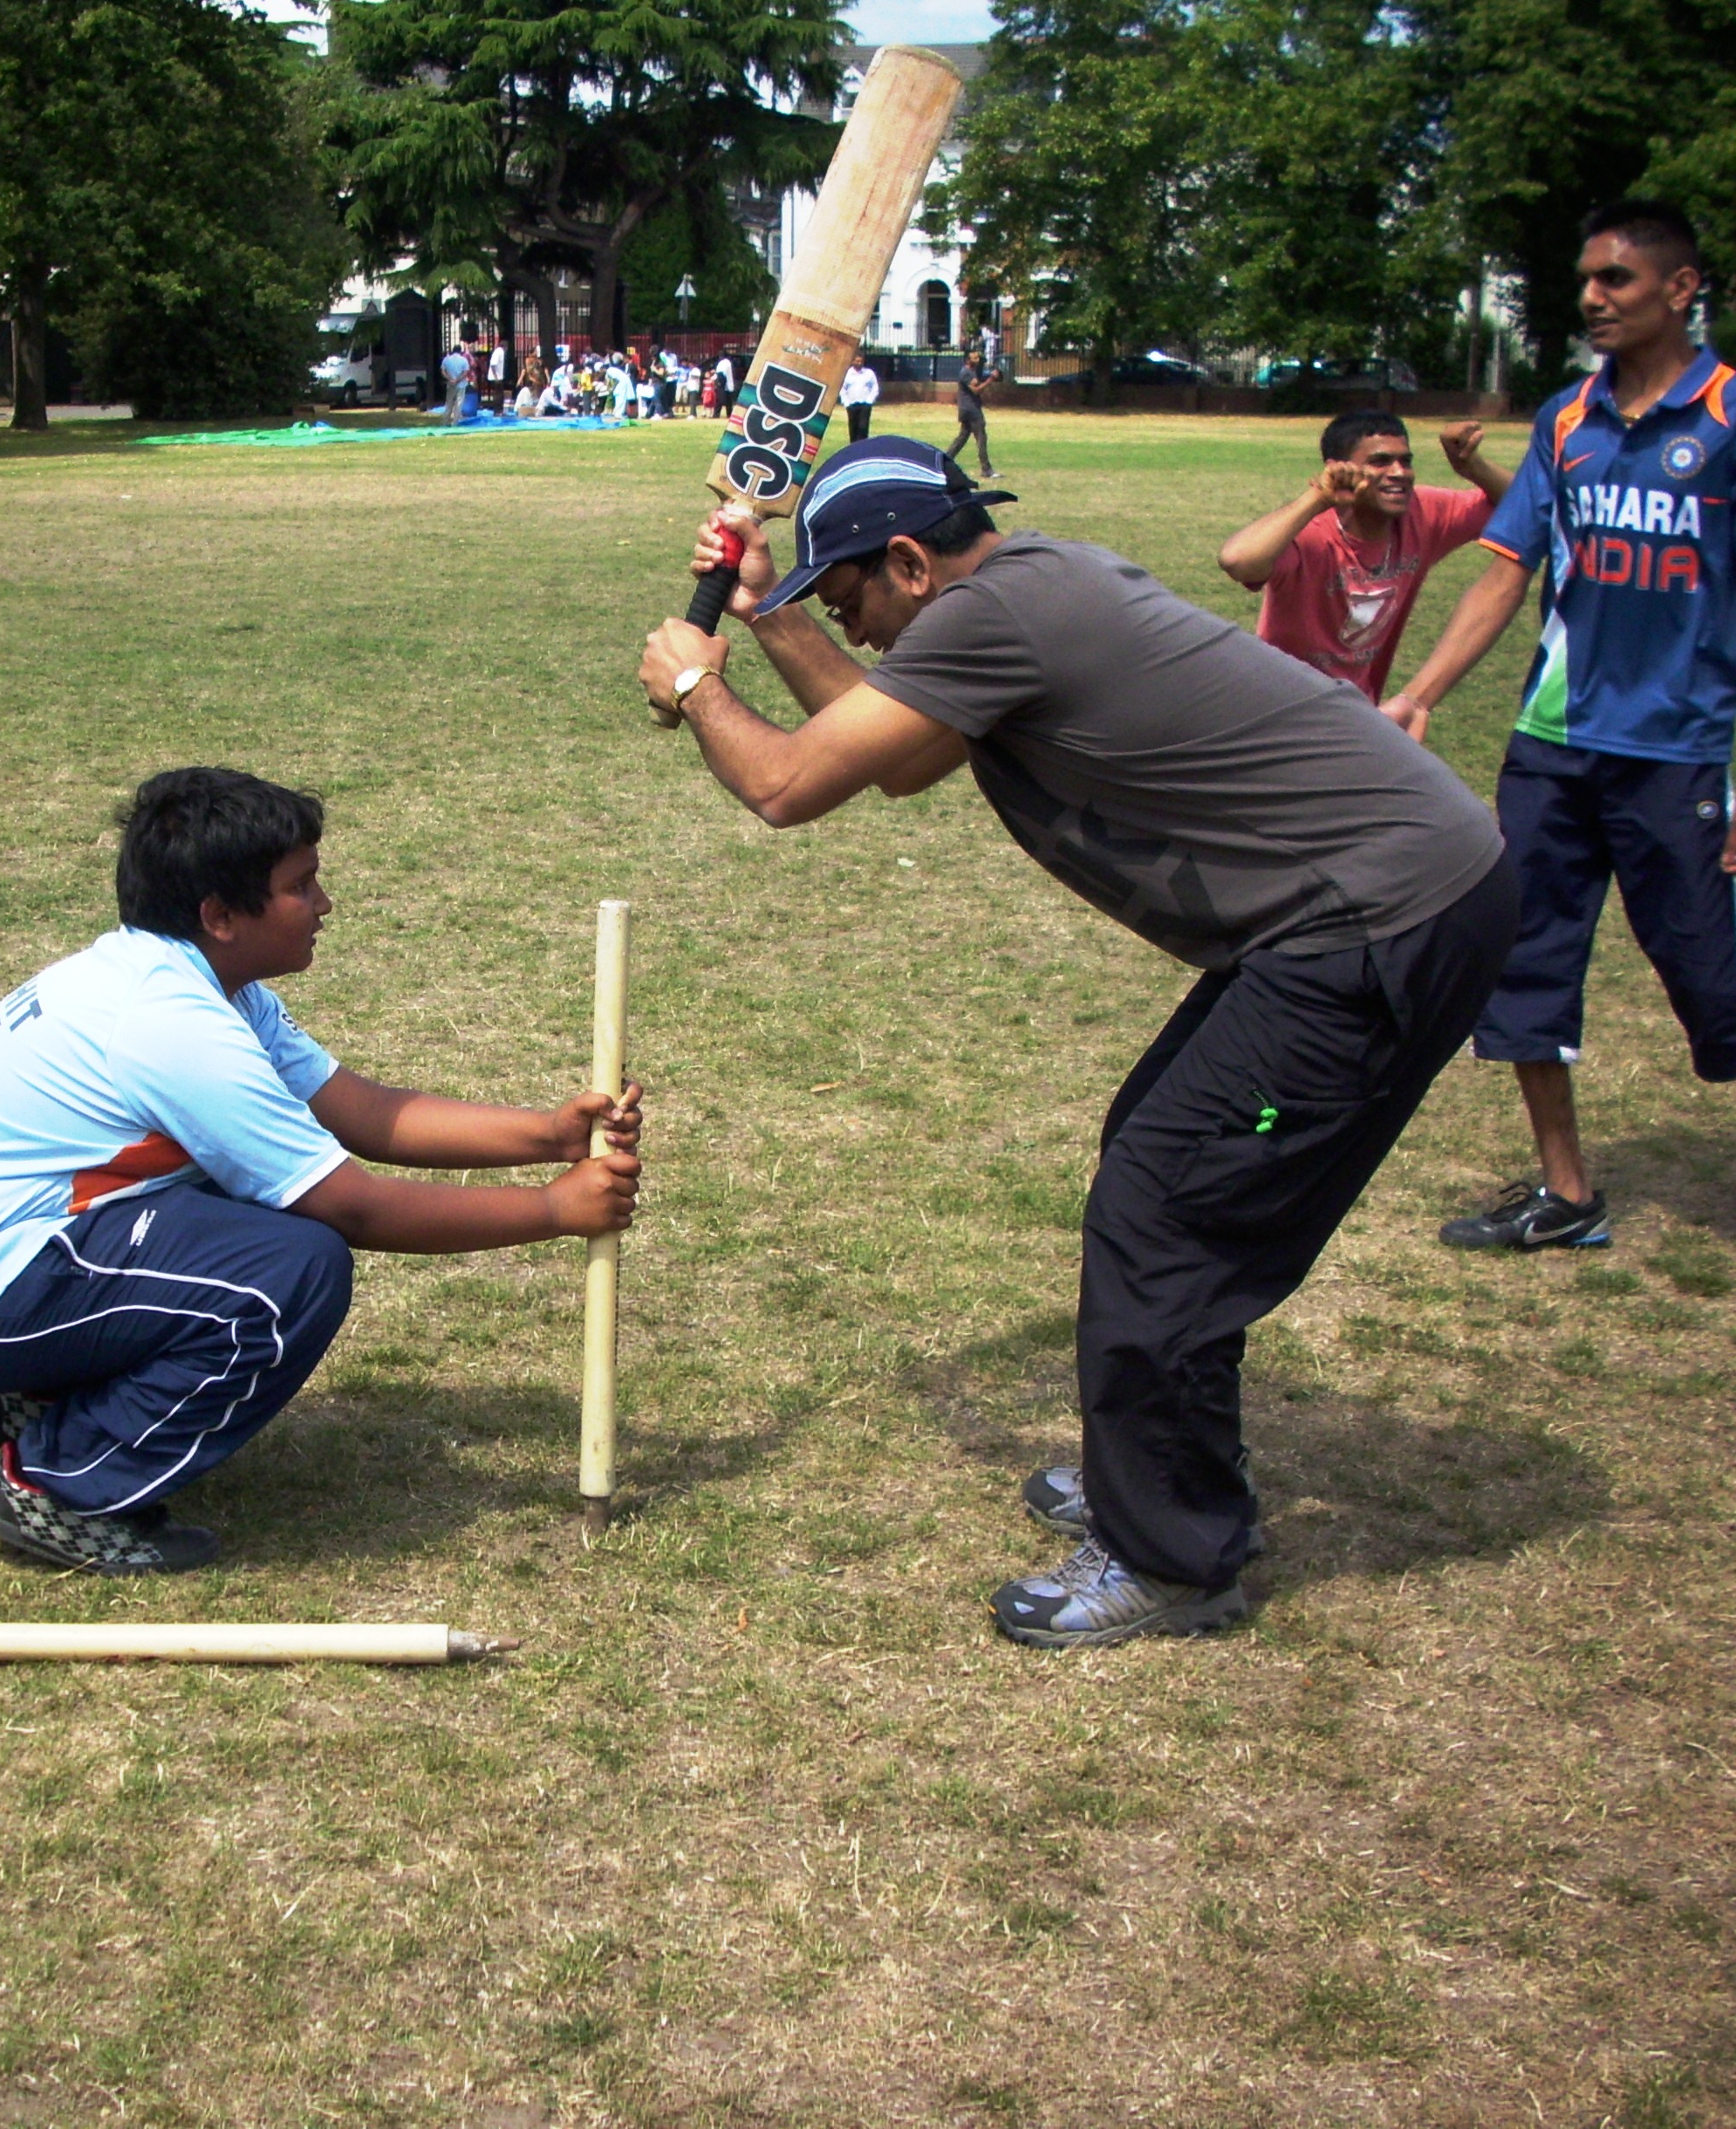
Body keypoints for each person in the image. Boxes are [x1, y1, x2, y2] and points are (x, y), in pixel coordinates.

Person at [635, 438, 1514, 1647]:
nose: (866, 633)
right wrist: (767, 614)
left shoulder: (995, 619)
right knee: (1162, 1166)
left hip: (1375, 925)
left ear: (909, 559)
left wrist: (695, 686)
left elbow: (791, 785)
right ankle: (1158, 1481)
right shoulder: (1021, 589)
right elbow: (903, 758)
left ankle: (1173, 1556)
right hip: (1375, 904)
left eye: (854, 603)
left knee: (1169, 1212)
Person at [0, 769, 644, 1575]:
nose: (324, 905)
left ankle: (39, 1397)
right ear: (220, 915)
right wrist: (554, 1212)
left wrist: (546, 1137)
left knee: (247, 1206)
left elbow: (358, 1110)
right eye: (300, 886)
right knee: (289, 1268)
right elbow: (354, 1209)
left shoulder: (198, 982)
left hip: (3, 1261)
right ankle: (58, 1484)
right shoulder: (171, 1024)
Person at [1379, 196, 1736, 1258]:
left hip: (1676, 755)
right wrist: (1423, 692)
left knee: (1707, 970)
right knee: (1528, 962)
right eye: (1587, 283)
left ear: (1680, 288)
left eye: (1615, 280)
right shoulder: (1567, 420)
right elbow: (1507, 571)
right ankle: (1567, 1194)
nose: (1593, 300)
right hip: (1553, 747)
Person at [1219, 411, 1514, 703]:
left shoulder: (1422, 513)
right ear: (1337, 469)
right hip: (1281, 706)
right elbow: (1238, 561)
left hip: (1355, 709)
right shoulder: (1311, 534)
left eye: (1406, 461)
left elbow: (1524, 504)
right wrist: (1319, 497)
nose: (1399, 473)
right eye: (1380, 462)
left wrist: (1472, 466)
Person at [945, 349, 994, 476]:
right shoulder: (966, 373)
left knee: (962, 438)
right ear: (968, 360)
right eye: (975, 358)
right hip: (971, 409)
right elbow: (976, 390)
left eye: (978, 358)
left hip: (967, 408)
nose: (978, 360)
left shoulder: (972, 372)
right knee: (981, 438)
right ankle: (986, 469)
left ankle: (943, 462)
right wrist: (990, 380)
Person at [838, 356, 881, 445]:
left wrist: (870, 401)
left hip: (865, 404)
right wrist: (846, 403)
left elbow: (874, 387)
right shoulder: (847, 374)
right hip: (852, 405)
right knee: (853, 427)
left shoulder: (869, 373)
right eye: (857, 361)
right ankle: (853, 447)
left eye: (861, 361)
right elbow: (842, 389)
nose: (859, 363)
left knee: (863, 427)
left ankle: (863, 447)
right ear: (852, 361)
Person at [439, 340, 474, 423]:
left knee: (449, 403)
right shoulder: (464, 360)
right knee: (459, 403)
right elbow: (465, 373)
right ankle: (455, 422)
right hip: (461, 384)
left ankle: (445, 421)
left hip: (450, 384)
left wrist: (450, 379)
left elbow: (443, 371)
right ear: (460, 351)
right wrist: (457, 380)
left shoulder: (446, 360)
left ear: (452, 350)